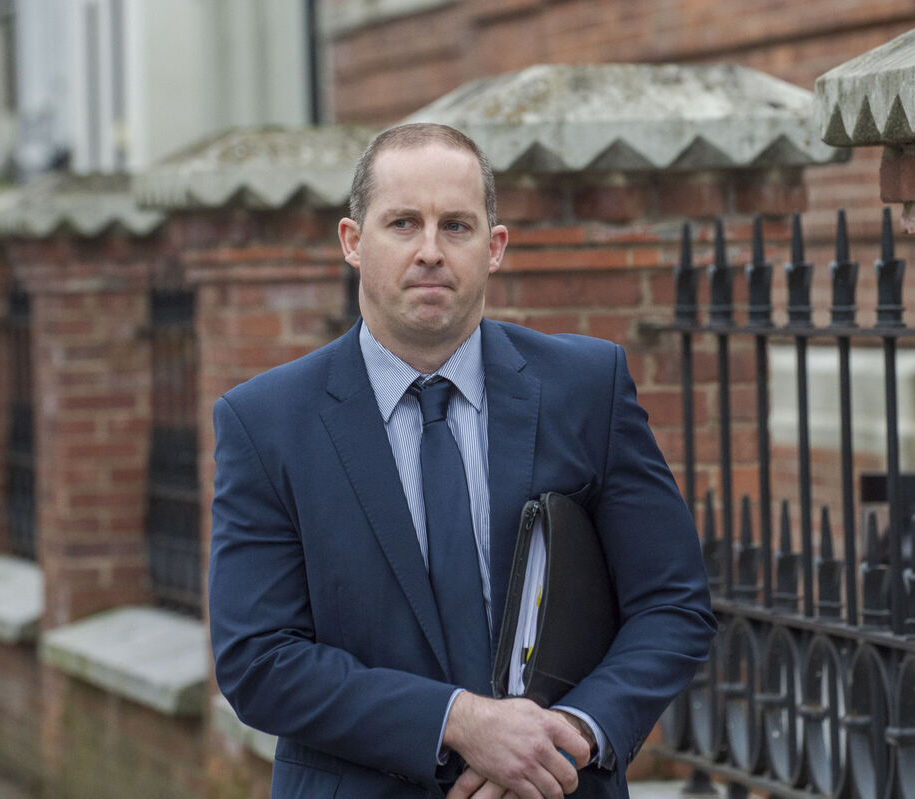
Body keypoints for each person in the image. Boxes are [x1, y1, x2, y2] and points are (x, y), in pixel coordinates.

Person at [208, 122, 715, 799]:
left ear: (494, 246)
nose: (429, 251)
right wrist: (460, 722)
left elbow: (672, 603)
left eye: (456, 226)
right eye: (402, 223)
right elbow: (259, 659)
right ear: (352, 242)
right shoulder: (266, 422)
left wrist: (570, 733)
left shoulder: (587, 388)